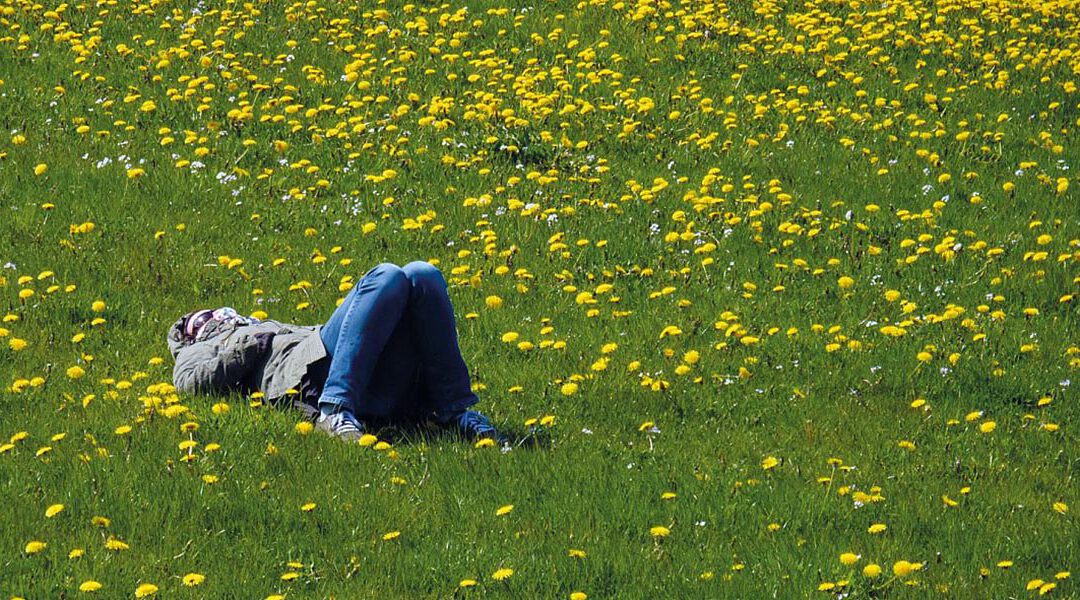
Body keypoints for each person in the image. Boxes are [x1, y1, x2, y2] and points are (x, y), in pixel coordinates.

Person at [166, 261, 502, 444]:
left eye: (225, 311)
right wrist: (245, 341)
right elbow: (188, 383)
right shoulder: (206, 346)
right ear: (197, 333)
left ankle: (455, 412)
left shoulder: (270, 324)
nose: (223, 315)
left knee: (422, 275)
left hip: (365, 374)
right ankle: (335, 410)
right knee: (384, 277)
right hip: (315, 375)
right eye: (209, 317)